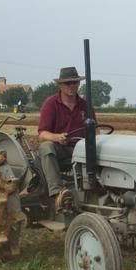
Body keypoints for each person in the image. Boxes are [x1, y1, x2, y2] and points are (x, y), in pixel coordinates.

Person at [37, 66, 87, 208]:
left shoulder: (85, 105)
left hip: (80, 149)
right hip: (60, 148)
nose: (72, 86)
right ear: (60, 85)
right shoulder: (51, 103)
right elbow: (42, 134)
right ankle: (58, 193)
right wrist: (58, 137)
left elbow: (94, 130)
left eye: (74, 82)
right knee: (46, 147)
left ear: (79, 83)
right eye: (67, 83)